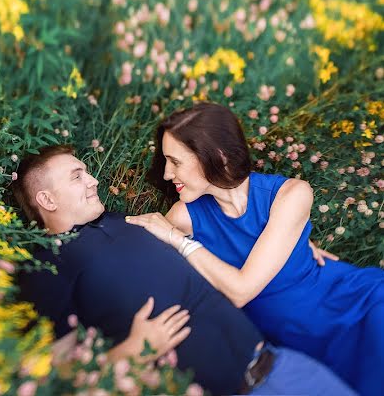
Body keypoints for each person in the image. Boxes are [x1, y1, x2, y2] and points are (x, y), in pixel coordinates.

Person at [12, 145, 355, 395]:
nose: (93, 181)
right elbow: (47, 379)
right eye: (77, 176)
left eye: (87, 171)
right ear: (47, 200)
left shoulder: (129, 221)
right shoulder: (46, 267)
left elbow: (220, 234)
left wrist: (294, 243)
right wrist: (132, 351)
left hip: (281, 364)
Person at [125, 101, 384, 396]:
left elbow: (241, 290)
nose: (169, 174)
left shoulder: (291, 194)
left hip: (354, 309)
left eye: (176, 162)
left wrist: (177, 239)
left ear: (217, 155)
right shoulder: (183, 217)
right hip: (291, 346)